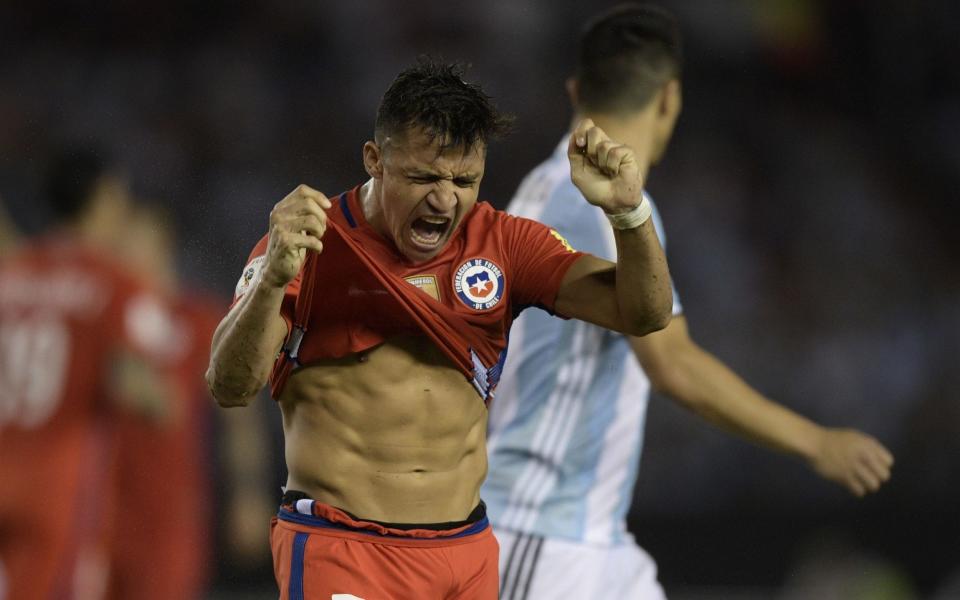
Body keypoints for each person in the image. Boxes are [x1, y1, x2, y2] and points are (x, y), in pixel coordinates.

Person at [206, 58, 674, 599]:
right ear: (374, 160)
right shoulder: (307, 244)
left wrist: (629, 214)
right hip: (345, 550)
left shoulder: (504, 244)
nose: (445, 198)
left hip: (464, 556)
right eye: (424, 176)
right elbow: (229, 387)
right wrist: (270, 282)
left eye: (464, 180)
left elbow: (645, 313)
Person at [482, 5, 896, 599]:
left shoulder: (545, 190)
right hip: (543, 534)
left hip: (588, 537)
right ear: (670, 98)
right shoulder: (597, 208)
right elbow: (671, 362)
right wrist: (815, 442)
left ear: (576, 89)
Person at [0, 148, 176, 600]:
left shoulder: (10, 272)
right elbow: (149, 386)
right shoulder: (113, 283)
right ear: (103, 198)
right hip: (54, 490)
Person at [107, 203, 224, 600]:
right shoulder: (108, 319)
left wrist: (248, 488)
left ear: (162, 246)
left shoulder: (198, 317)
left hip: (170, 511)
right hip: (105, 508)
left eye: (131, 242)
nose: (122, 253)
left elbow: (233, 413)